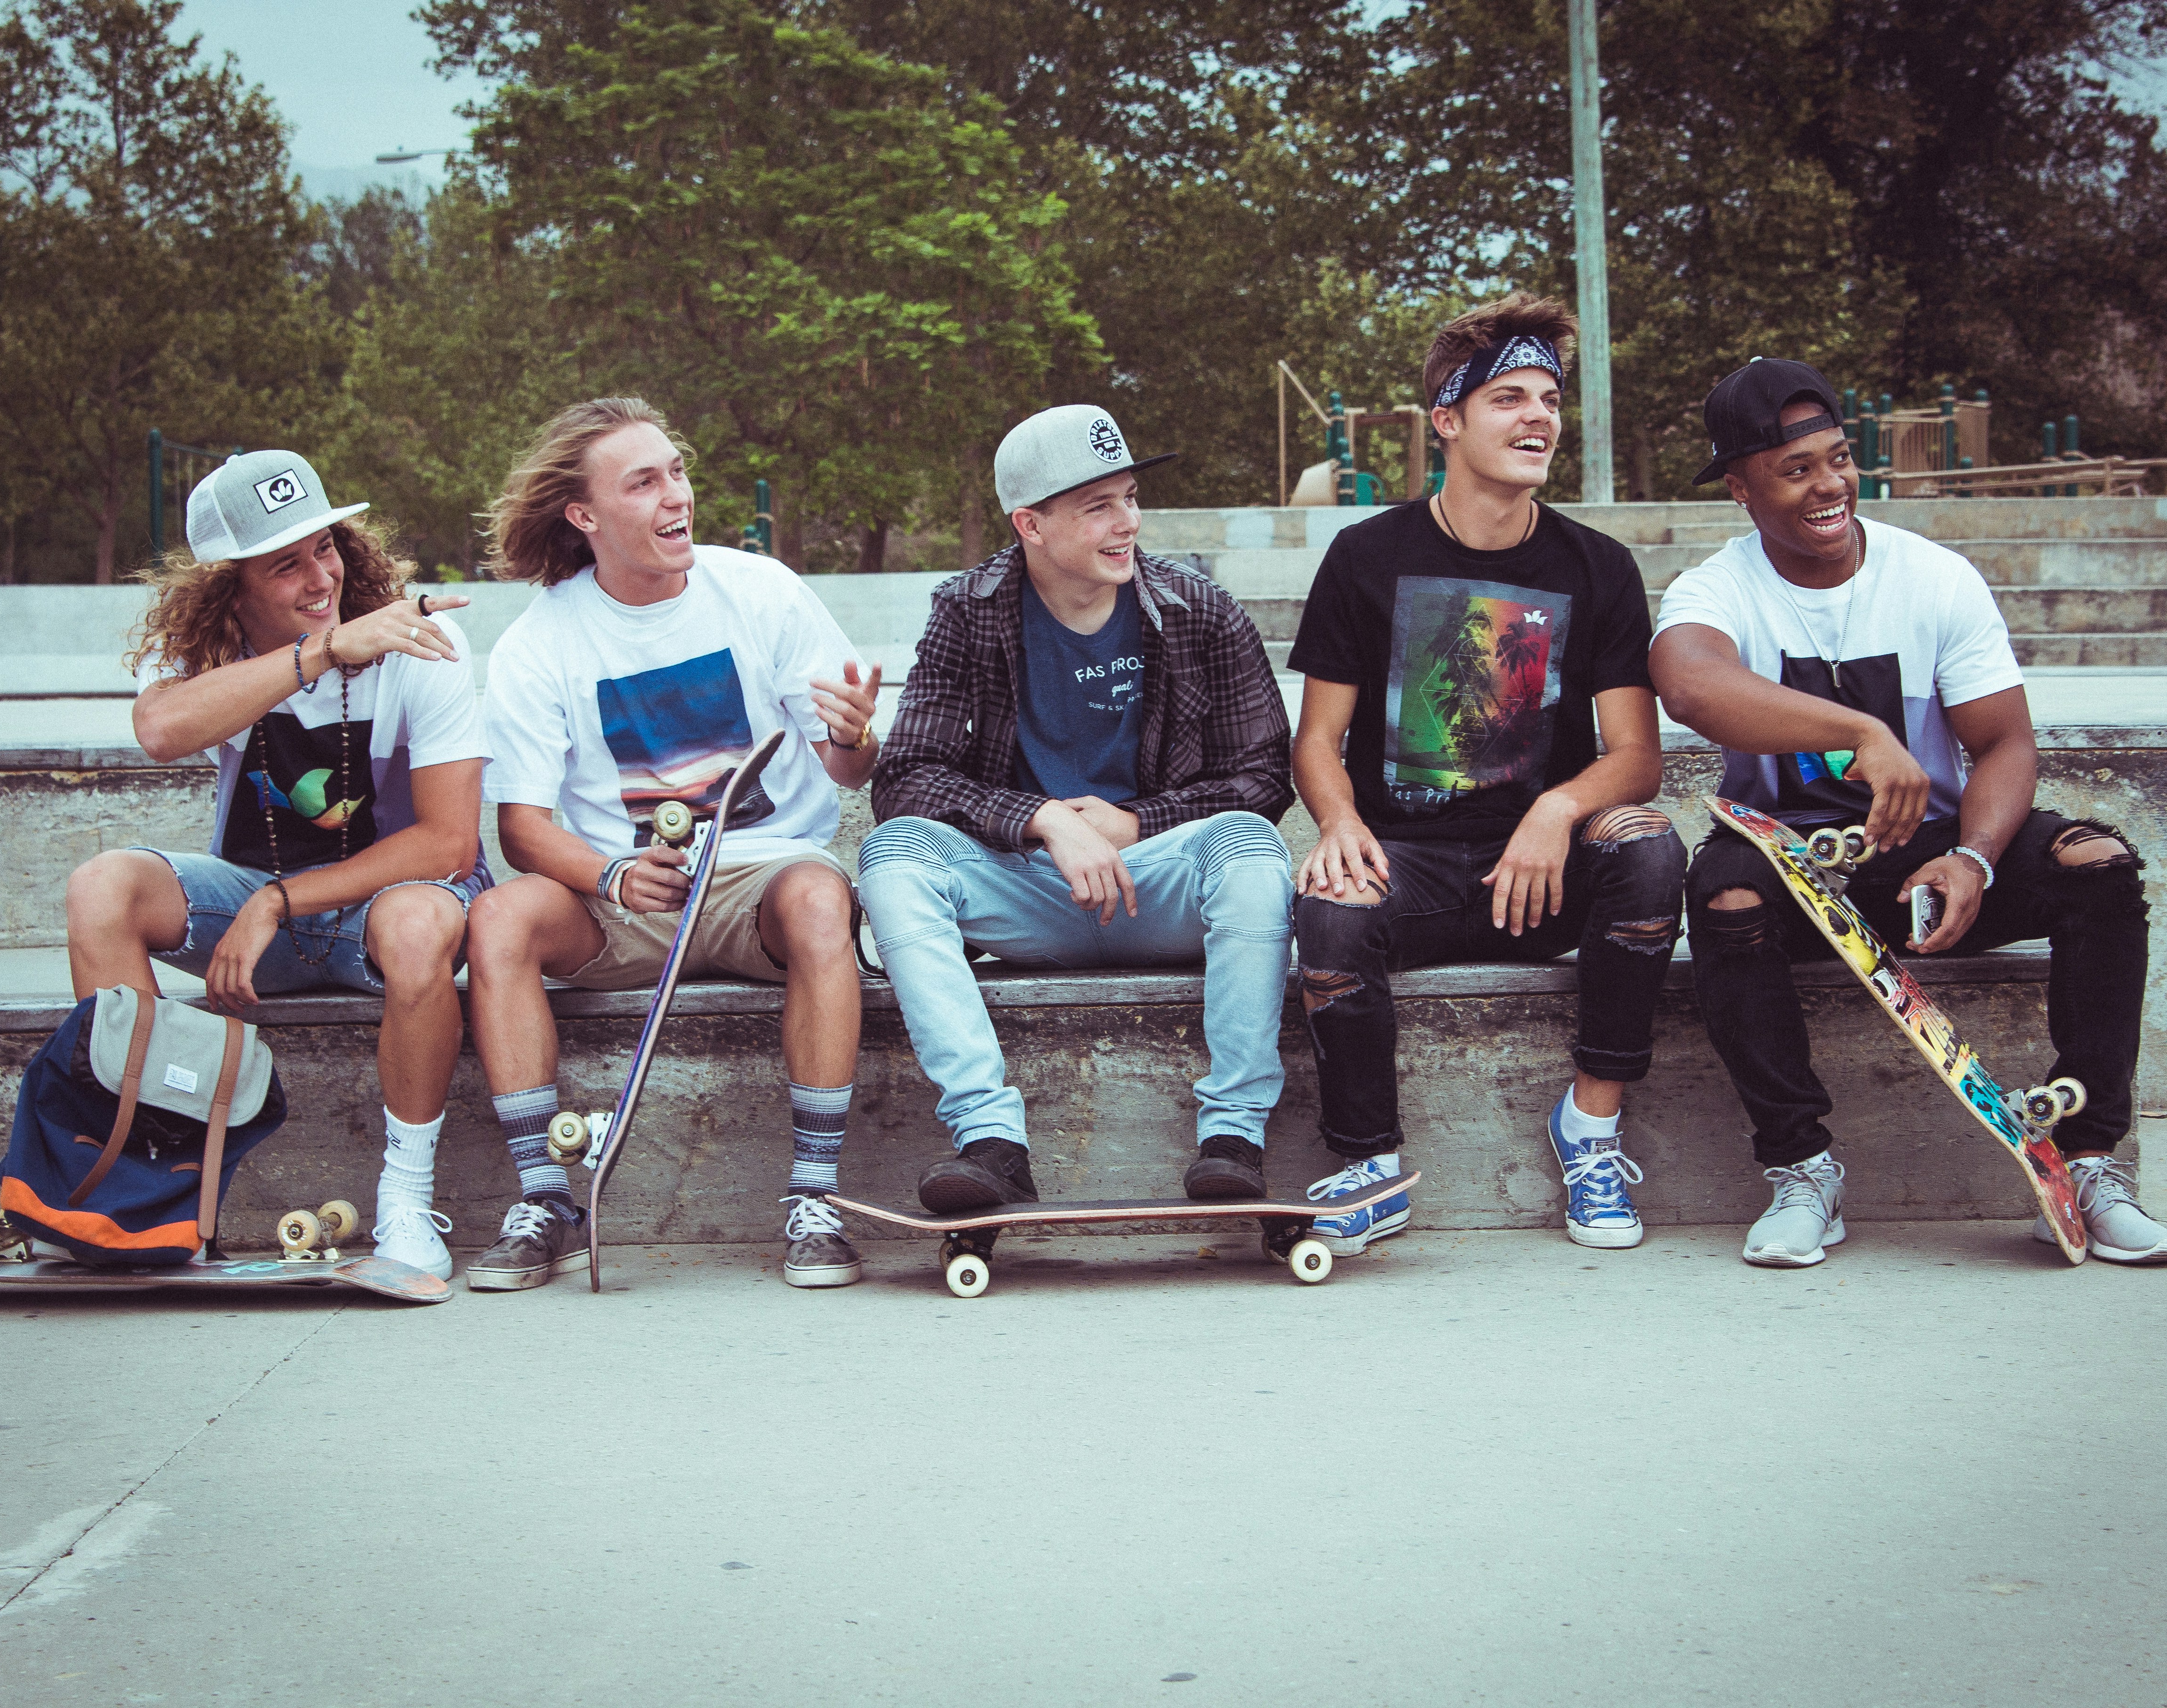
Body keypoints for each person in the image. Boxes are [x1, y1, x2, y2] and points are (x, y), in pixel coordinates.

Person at [1650, 356, 2167, 1267]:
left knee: (2099, 864)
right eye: (1796, 469)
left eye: (1838, 459)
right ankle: (1803, 1169)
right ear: (1740, 488)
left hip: (1928, 860)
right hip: (1788, 863)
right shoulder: (1716, 589)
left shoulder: (1934, 578)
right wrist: (1859, 727)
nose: (1830, 486)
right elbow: (1691, 687)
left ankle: (2090, 1155)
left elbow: (2007, 744)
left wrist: (1974, 857)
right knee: (1726, 900)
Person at [1288, 292, 1686, 1255]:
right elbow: (1315, 743)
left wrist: (1558, 807)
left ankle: (1590, 1128)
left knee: (1651, 851)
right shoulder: (1365, 556)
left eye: (1549, 397)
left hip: (1544, 873)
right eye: (1509, 397)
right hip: (1415, 866)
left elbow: (1636, 755)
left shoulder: (1598, 568)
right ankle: (1373, 1166)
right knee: (1331, 907)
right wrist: (1341, 826)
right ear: (1449, 420)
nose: (1538, 416)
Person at [461, 398, 881, 1292]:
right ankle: (547, 1199)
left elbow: (847, 774)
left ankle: (816, 1198)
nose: (674, 497)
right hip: (625, 900)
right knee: (498, 918)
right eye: (643, 482)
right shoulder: (540, 643)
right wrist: (611, 873)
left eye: (677, 473)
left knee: (818, 899)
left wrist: (854, 738)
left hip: (762, 881)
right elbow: (521, 829)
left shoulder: (760, 590)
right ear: (586, 516)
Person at [66, 450, 491, 1280]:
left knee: (414, 921)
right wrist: (322, 653)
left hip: (392, 903)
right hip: (257, 911)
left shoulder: (419, 639)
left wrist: (278, 904)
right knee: (102, 887)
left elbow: (449, 844)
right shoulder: (208, 647)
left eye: (325, 548)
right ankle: (153, 1182)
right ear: (230, 585)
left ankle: (405, 1203)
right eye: (284, 564)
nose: (318, 578)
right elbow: (160, 731)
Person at [858, 405, 1296, 1209]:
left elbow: (1264, 775)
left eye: (1130, 498)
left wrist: (1136, 823)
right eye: (1099, 506)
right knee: (894, 855)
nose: (1127, 523)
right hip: (1028, 889)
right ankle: (991, 1142)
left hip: (1155, 888)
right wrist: (1044, 818)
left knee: (1247, 847)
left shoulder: (1199, 610)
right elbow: (906, 779)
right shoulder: (969, 610)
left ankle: (1234, 1138)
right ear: (1031, 523)